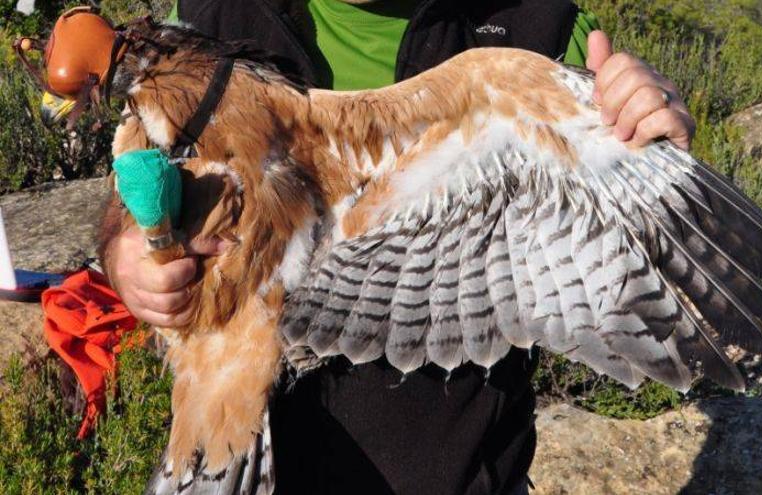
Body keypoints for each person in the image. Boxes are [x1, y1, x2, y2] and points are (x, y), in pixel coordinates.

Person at [102, 1, 696, 493]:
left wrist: (650, 141)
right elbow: (134, 173)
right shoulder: (213, 13)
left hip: (446, 471)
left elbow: (621, 237)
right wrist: (124, 252)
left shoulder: (533, 24)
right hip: (241, 431)